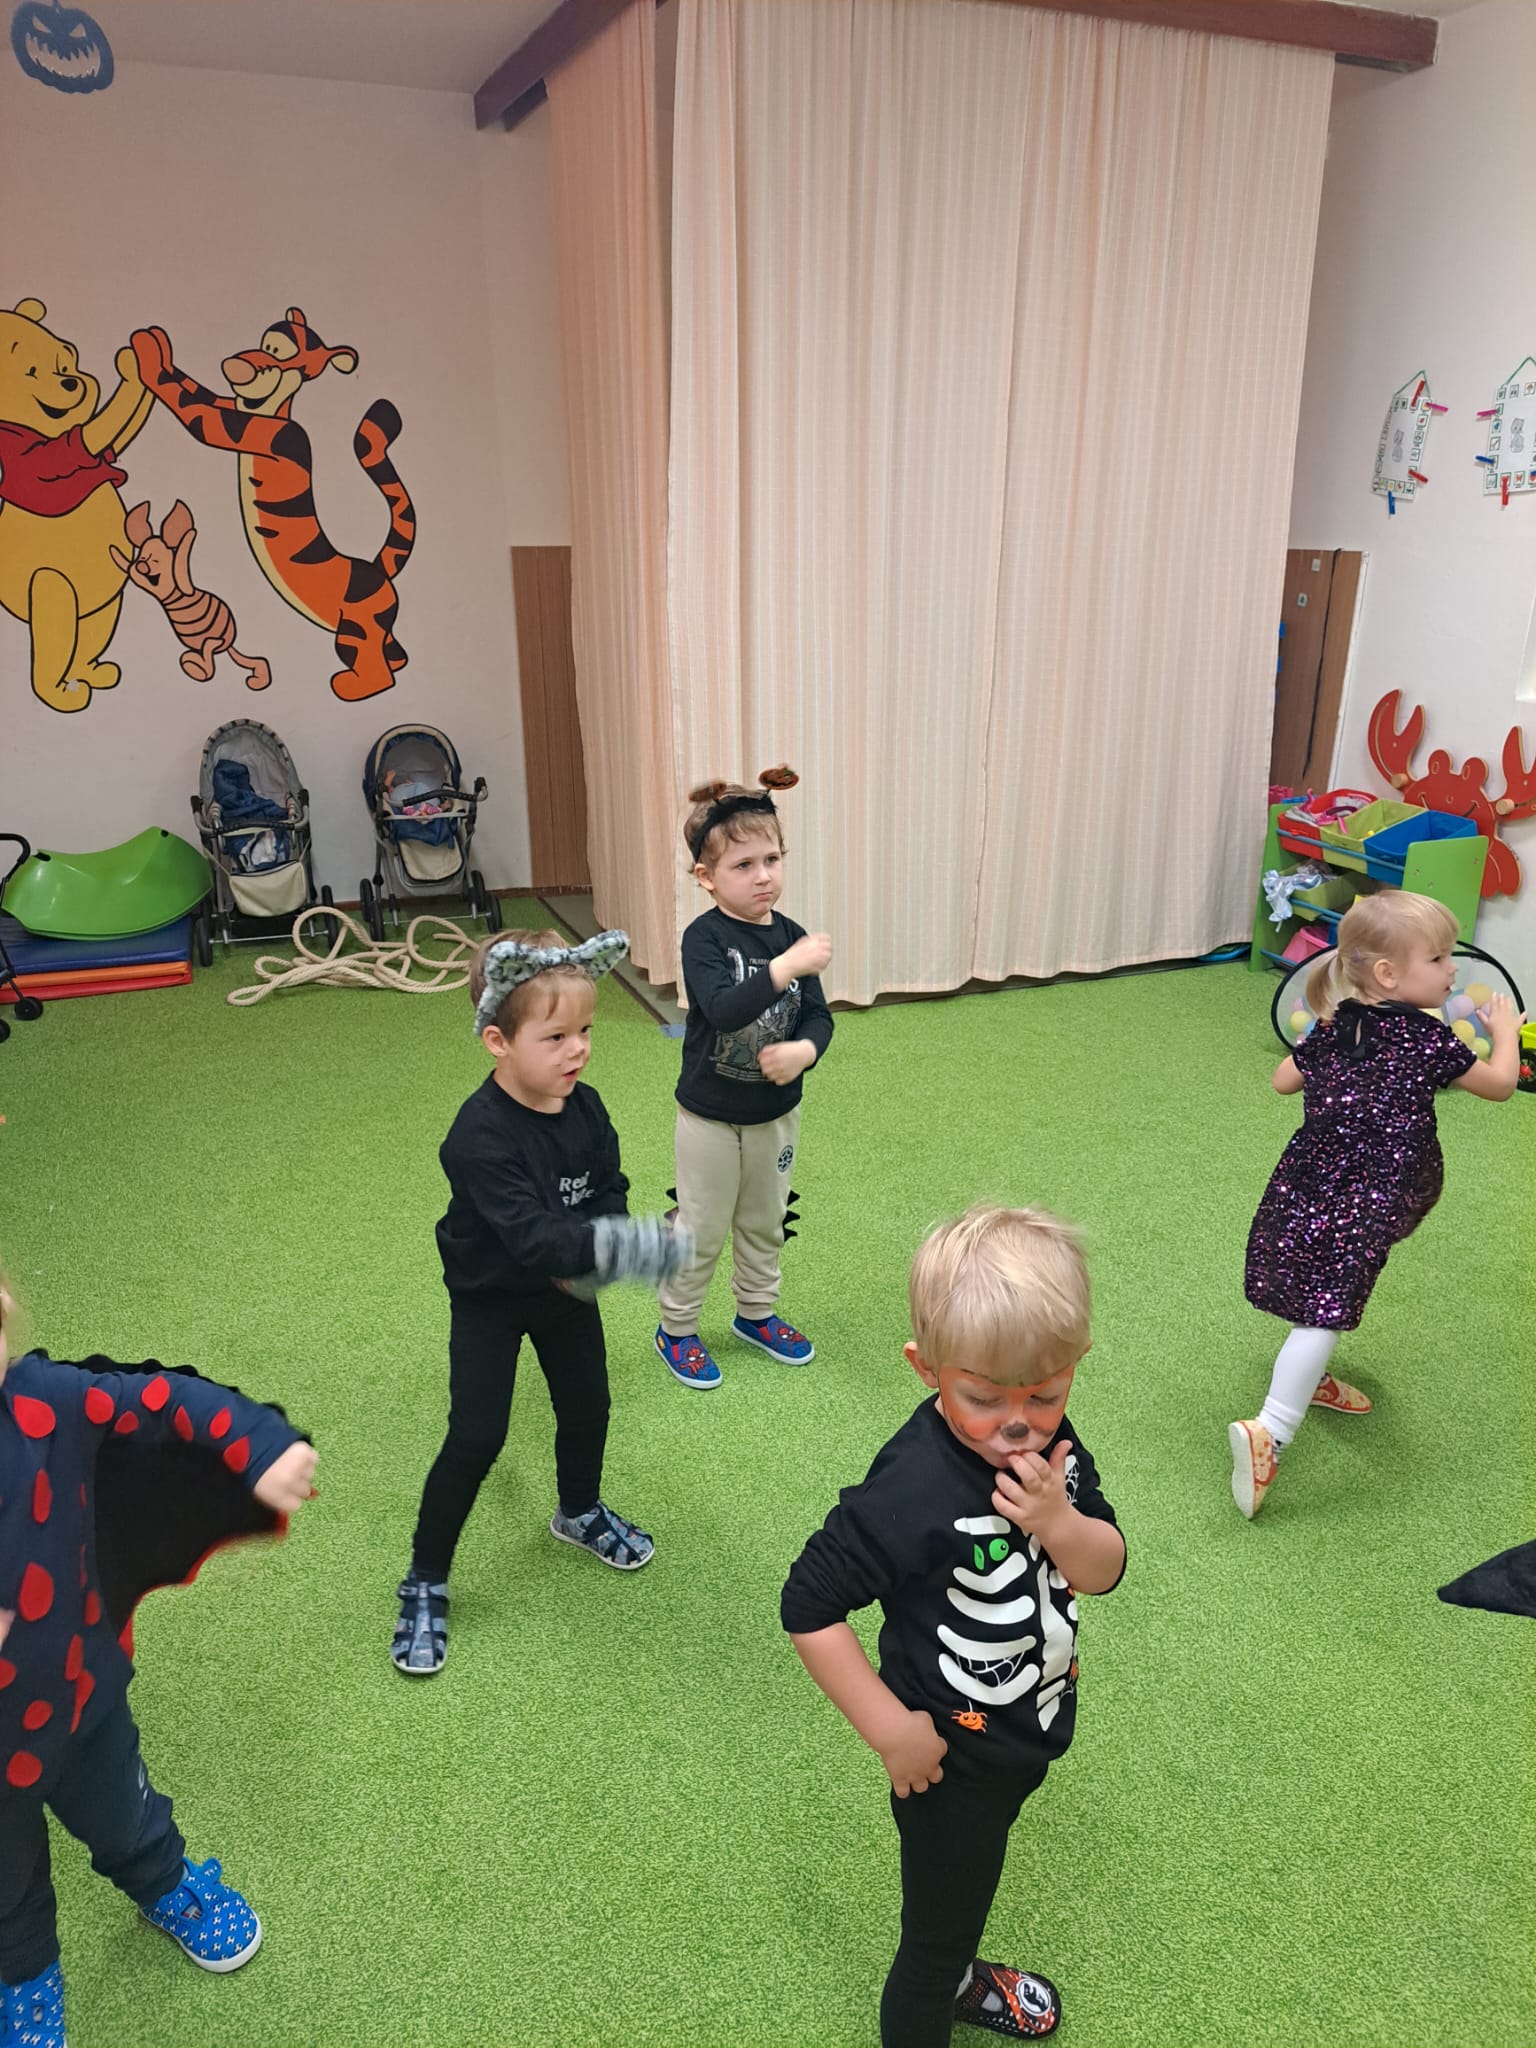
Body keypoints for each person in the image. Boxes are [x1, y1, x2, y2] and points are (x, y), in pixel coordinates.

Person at [781, 1207, 1125, 2046]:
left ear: (1074, 1365)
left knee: (964, 1896)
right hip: (948, 1765)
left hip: (1026, 1728)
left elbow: (1103, 1569)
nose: (1019, 1422)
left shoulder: (1053, 1451)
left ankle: (962, 1972)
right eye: (982, 1396)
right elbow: (807, 1604)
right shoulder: (911, 1489)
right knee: (929, 1953)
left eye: (1045, 1393)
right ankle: (948, 1981)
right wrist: (890, 1731)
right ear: (926, 1369)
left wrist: (1058, 1519)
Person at [0, 1276, 317, 2048]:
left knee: (128, 1817)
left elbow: (161, 1398)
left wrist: (260, 1446)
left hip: (83, 1702)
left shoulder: (45, 1403)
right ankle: (26, 1979)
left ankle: (165, 1884)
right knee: (5, 1890)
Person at [393, 930, 692, 1676]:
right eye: (555, 1037)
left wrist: (606, 1237)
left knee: (589, 1407)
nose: (578, 1049)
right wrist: (632, 1248)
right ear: (498, 1041)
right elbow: (531, 1238)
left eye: (585, 1030)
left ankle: (578, 1511)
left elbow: (609, 1188)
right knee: (477, 1437)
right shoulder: (477, 1138)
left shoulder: (585, 1109)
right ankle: (425, 1578)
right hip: (491, 1297)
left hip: (565, 1290)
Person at [1232, 891, 1524, 1517]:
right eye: (1438, 958)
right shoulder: (1428, 1039)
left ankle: (1310, 1380)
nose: (1452, 969)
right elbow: (1501, 1086)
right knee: (1329, 1308)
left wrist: (1328, 1050)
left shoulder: (1339, 1025)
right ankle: (1271, 1431)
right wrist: (1505, 1034)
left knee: (1317, 1286)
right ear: (1388, 974)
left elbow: (1282, 1080)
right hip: (1367, 1194)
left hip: (1310, 1180)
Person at [655, 769, 833, 1389]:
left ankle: (755, 1314)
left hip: (775, 1114)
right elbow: (725, 1009)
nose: (763, 876)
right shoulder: (703, 938)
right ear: (706, 877)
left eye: (772, 859)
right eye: (743, 865)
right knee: (702, 1226)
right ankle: (677, 1327)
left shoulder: (791, 936)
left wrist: (804, 1051)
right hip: (708, 1115)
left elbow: (818, 1016)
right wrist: (785, 967)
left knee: (764, 1220)